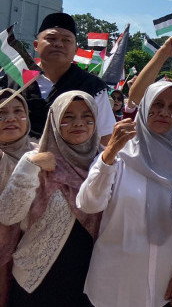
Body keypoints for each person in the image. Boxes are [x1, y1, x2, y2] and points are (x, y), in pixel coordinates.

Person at [76, 81, 172, 307]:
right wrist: (110, 154)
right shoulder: (120, 153)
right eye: (157, 103)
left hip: (163, 283)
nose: (164, 112)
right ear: (144, 108)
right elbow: (89, 203)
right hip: (113, 279)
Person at [0, 91, 101, 307]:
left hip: (87, 281)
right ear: (54, 120)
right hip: (36, 280)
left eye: (87, 116)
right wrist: (30, 167)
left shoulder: (104, 162)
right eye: (68, 116)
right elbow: (9, 215)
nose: (78, 123)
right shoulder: (36, 159)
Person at [0, 13, 115, 143]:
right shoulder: (12, 81)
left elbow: (106, 136)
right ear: (36, 45)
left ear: (76, 49)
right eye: (51, 38)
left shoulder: (93, 86)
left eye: (66, 40)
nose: (58, 44)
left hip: (75, 163)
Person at [0, 91, 37, 307]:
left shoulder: (44, 153)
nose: (11, 118)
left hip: (35, 258)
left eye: (18, 112)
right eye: (1, 113)